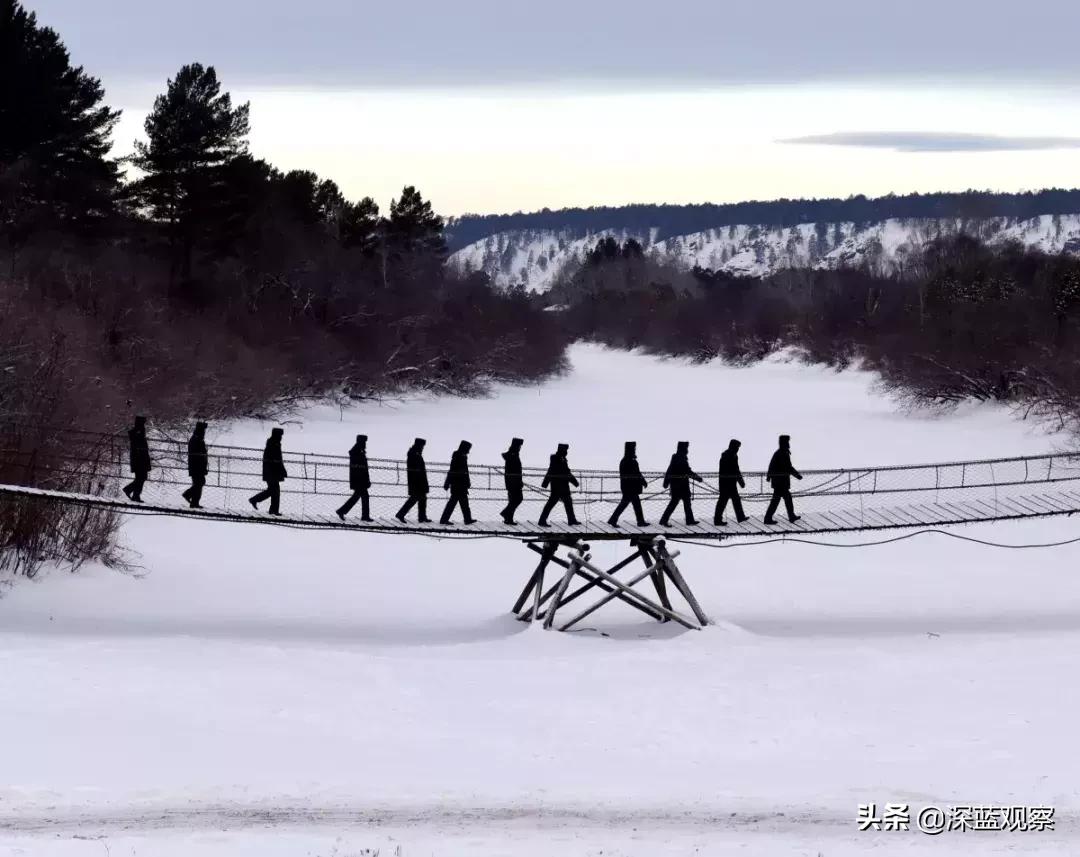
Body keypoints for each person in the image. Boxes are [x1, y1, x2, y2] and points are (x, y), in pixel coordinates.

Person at [659, 441, 703, 526]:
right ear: (683, 449)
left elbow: (670, 470)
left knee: (683, 503)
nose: (687, 450)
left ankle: (688, 520)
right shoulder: (681, 458)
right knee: (677, 503)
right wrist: (698, 478)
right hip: (680, 486)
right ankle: (688, 520)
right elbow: (687, 471)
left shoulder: (677, 457)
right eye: (686, 448)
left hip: (678, 486)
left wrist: (666, 482)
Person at [607, 441, 648, 527]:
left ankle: (639, 521)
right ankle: (639, 522)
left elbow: (637, 474)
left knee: (632, 504)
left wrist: (642, 481)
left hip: (628, 487)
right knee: (627, 505)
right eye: (634, 448)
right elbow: (636, 474)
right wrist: (642, 481)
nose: (635, 450)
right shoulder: (629, 461)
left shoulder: (626, 460)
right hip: (630, 488)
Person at [538, 443, 580, 527]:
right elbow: (555, 471)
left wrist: (575, 482)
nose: (566, 452)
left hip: (563, 486)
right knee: (551, 504)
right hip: (557, 486)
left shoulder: (563, 459)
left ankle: (571, 520)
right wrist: (545, 483)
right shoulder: (555, 458)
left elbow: (566, 472)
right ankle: (542, 520)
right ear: (562, 450)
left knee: (568, 503)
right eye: (565, 450)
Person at [764, 434, 803, 524]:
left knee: (781, 499)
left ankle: (790, 516)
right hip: (781, 482)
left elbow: (772, 465)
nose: (788, 443)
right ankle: (769, 518)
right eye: (787, 441)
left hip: (779, 482)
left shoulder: (780, 452)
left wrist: (769, 477)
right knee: (780, 500)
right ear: (785, 442)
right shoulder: (783, 453)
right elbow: (788, 467)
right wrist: (797, 475)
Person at [249, 428, 287, 516]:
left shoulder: (273, 443)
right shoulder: (273, 444)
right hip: (272, 472)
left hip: (271, 472)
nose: (281, 437)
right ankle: (256, 501)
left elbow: (277, 460)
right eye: (280, 435)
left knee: (274, 490)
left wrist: (282, 470)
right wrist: (282, 470)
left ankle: (272, 509)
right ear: (277, 435)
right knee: (274, 491)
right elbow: (276, 460)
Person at [336, 434, 373, 522]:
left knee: (358, 496)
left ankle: (342, 511)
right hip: (359, 480)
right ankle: (364, 516)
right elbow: (359, 468)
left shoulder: (359, 450)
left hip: (360, 480)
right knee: (363, 496)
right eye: (364, 442)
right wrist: (365, 480)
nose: (365, 444)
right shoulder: (357, 451)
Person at [714, 439, 750, 525]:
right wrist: (740, 481)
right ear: (733, 446)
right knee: (723, 502)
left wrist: (740, 481)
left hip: (729, 483)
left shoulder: (731, 455)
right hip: (726, 484)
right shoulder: (727, 455)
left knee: (733, 500)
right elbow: (735, 470)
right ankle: (718, 520)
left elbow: (736, 470)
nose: (738, 449)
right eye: (737, 447)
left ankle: (740, 517)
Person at [440, 440, 476, 525]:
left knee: (462, 503)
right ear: (464, 448)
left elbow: (464, 471)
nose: (469, 451)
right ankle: (466, 519)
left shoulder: (461, 456)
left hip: (460, 484)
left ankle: (467, 519)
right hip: (458, 484)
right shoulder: (458, 457)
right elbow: (452, 470)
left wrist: (467, 481)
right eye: (468, 449)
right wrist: (447, 483)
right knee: (456, 503)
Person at [396, 438, 431, 523]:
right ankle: (401, 514)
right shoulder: (413, 453)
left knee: (422, 498)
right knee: (415, 498)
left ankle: (422, 517)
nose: (423, 448)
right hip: (416, 481)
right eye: (422, 446)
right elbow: (415, 469)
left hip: (419, 480)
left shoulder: (416, 453)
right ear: (419, 445)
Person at [122, 415, 151, 503]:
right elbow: (140, 447)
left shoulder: (139, 432)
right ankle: (132, 492)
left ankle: (134, 494)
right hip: (140, 460)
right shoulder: (139, 432)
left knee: (141, 478)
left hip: (139, 459)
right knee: (141, 478)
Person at [181, 421, 209, 509]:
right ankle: (189, 496)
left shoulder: (197, 438)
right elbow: (198, 454)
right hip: (197, 466)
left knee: (199, 483)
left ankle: (194, 502)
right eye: (203, 430)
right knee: (199, 483)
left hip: (197, 466)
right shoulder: (196, 439)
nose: (204, 433)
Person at [500, 437, 524, 525]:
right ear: (516, 446)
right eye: (520, 446)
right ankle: (506, 513)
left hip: (512, 482)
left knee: (513, 500)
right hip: (514, 483)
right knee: (518, 499)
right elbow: (514, 470)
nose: (520, 448)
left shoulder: (512, 455)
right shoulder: (513, 455)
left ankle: (508, 518)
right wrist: (519, 481)